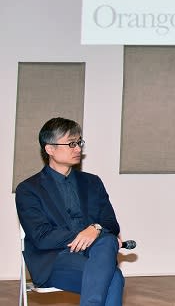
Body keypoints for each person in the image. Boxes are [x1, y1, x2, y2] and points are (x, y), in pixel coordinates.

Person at [15, 117, 125, 306]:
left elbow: (110, 223)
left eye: (79, 142)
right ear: (50, 149)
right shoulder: (29, 189)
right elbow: (42, 237)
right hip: (55, 260)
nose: (78, 149)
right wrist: (87, 233)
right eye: (71, 144)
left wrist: (96, 228)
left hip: (95, 255)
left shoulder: (93, 182)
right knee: (113, 277)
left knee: (106, 239)